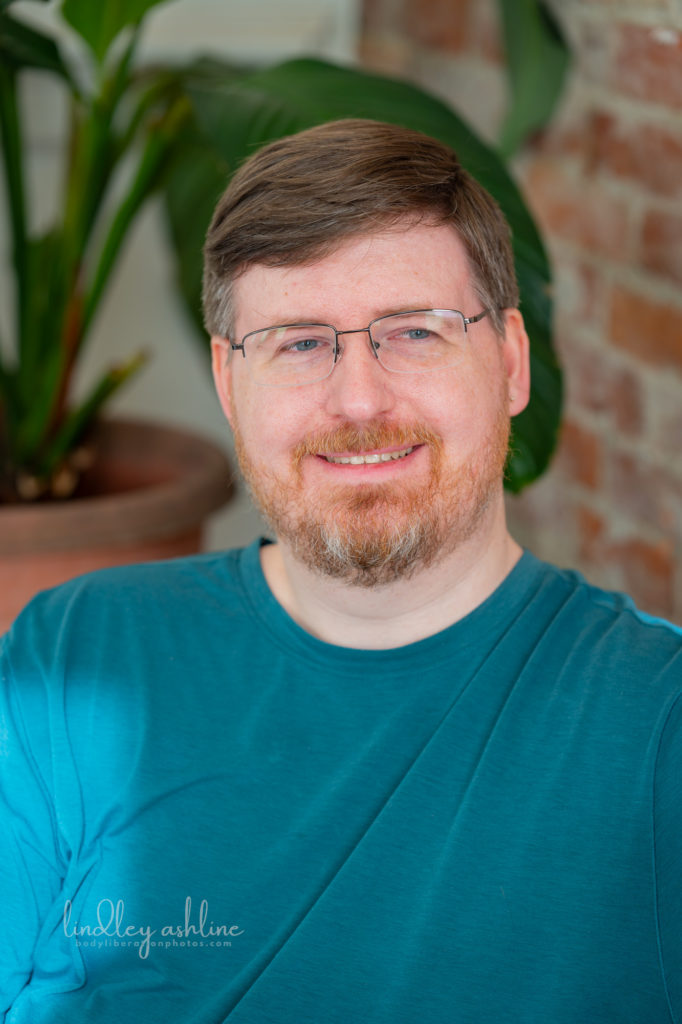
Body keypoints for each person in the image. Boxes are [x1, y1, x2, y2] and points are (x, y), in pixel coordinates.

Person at [1, 119, 680, 1024]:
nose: (359, 399)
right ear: (227, 382)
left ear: (512, 364)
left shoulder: (656, 727)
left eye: (415, 332)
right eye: (298, 342)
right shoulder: (73, 657)